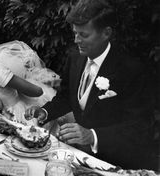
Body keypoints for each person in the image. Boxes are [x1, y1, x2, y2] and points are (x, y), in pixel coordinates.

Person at [25, 0, 158, 170]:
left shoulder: (131, 70)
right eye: (75, 33)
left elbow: (140, 127)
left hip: (118, 161)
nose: (76, 40)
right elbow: (66, 96)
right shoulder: (75, 58)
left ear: (106, 33)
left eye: (84, 35)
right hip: (81, 157)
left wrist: (93, 136)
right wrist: (45, 111)